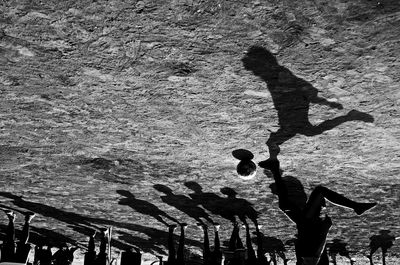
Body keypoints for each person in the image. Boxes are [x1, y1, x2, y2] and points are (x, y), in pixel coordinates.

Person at [261, 159, 377, 265]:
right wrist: (325, 228)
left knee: (284, 204)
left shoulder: (309, 259)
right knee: (320, 192)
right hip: (309, 221)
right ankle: (356, 207)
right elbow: (319, 247)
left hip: (303, 223)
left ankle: (275, 169)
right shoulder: (312, 260)